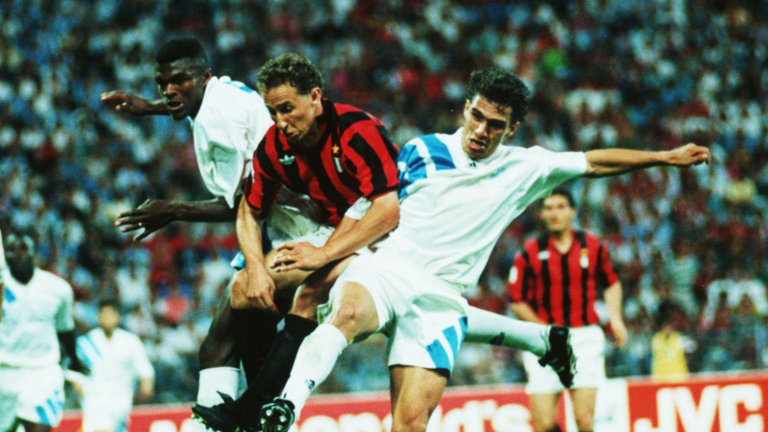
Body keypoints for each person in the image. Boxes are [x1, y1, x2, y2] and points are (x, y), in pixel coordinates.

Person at [252, 67, 709, 432]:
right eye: (476, 116)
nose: (481, 130)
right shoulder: (422, 151)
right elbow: (369, 206)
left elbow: (593, 162)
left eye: (495, 125)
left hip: (442, 298)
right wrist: (326, 252)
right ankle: (286, 406)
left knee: (410, 424)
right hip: (388, 269)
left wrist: (664, 158)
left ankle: (540, 339)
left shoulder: (526, 166)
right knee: (347, 313)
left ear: (512, 129)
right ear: (466, 108)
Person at [100, 37, 328, 416]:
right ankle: (248, 417)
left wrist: (172, 210)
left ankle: (241, 419)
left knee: (223, 343)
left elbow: (244, 204)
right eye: (162, 84)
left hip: (293, 233)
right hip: (285, 226)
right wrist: (151, 108)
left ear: (204, 76)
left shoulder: (217, 123)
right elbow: (192, 102)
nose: (169, 91)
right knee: (234, 343)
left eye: (179, 81)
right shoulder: (221, 94)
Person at [507, 188, 627, 432]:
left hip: (583, 338)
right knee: (543, 425)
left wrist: (616, 319)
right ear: (541, 214)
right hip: (544, 341)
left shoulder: (592, 245)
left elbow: (612, 283)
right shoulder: (529, 251)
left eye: (560, 207)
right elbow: (516, 300)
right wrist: (545, 329)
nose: (555, 213)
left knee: (584, 420)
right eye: (548, 208)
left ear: (573, 212)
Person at [0, 229, 89, 432]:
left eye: (24, 248)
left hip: (42, 371)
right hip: (4, 371)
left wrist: (74, 360)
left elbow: (65, 330)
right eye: (12, 249)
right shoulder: (2, 289)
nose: (18, 254)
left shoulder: (57, 289)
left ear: (34, 252)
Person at [68, 299, 155, 432]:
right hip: (95, 400)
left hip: (121, 400)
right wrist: (80, 386)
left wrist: (146, 385)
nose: (106, 318)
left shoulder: (130, 341)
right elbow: (73, 370)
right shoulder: (86, 342)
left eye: (110, 314)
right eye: (103, 314)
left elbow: (145, 369)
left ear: (117, 317)